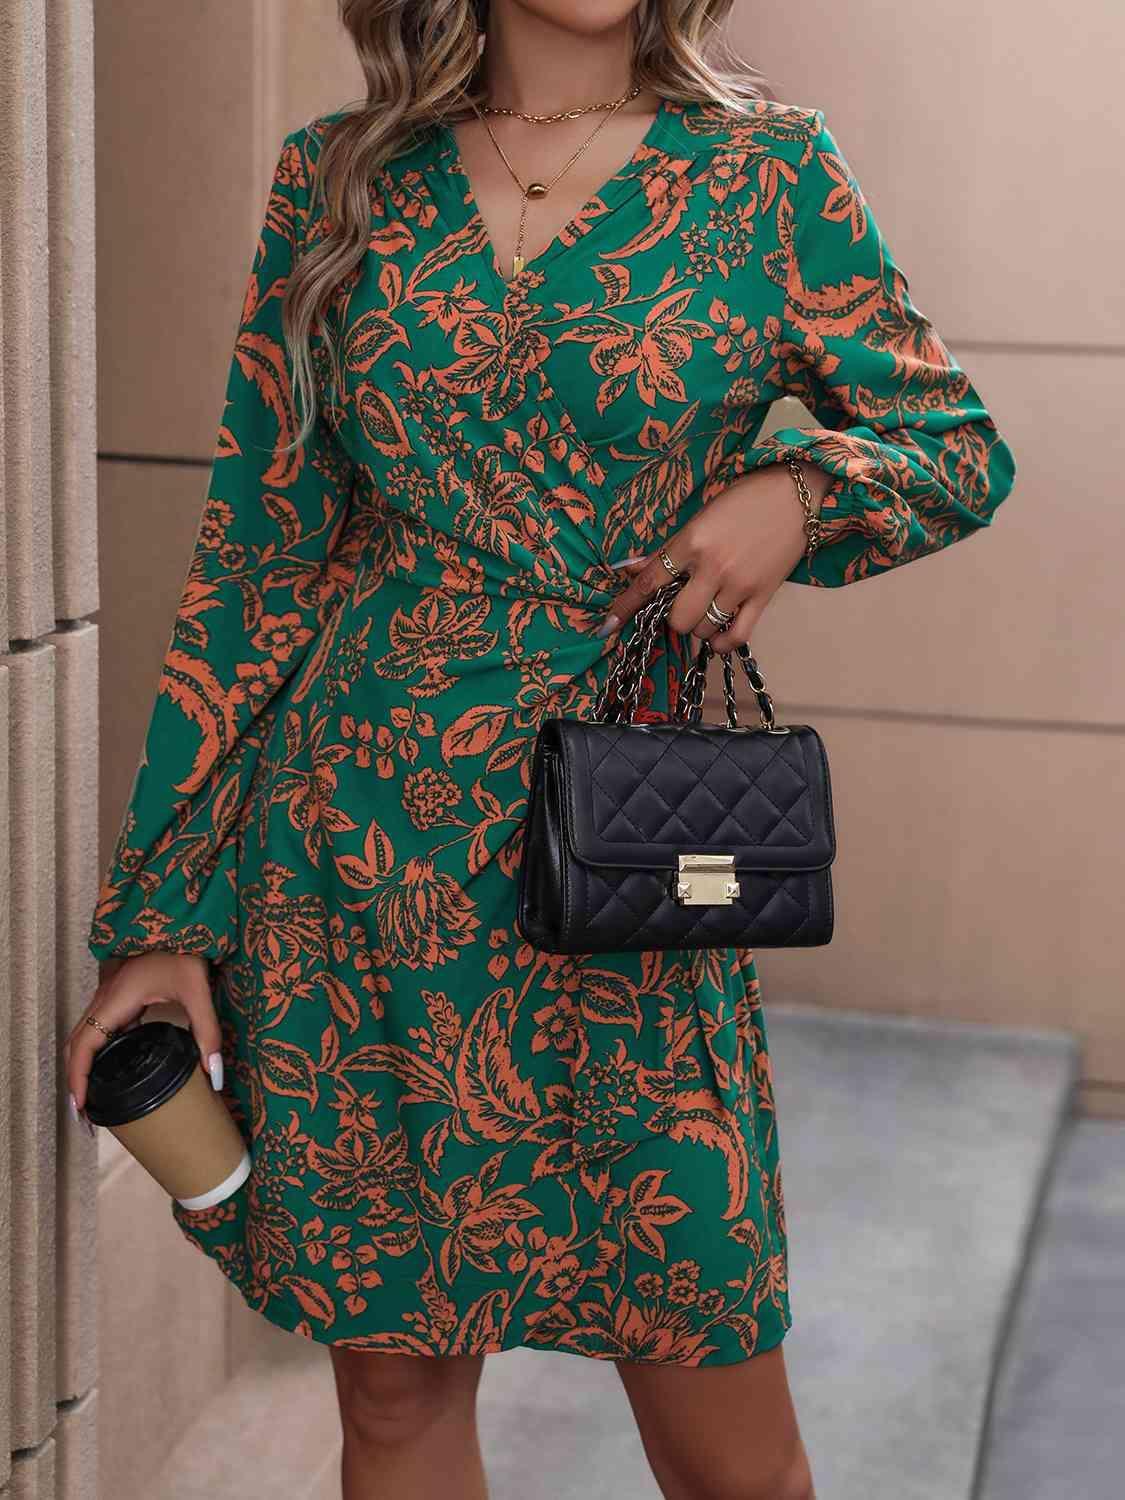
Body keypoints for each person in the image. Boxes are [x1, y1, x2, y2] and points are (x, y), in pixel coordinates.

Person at [65, 2, 1017, 1496]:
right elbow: (258, 552)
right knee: (391, 1397)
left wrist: (800, 489)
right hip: (349, 849)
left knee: (727, 1439)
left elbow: (953, 447)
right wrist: (163, 910)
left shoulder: (767, 174)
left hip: (621, 854)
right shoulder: (340, 178)